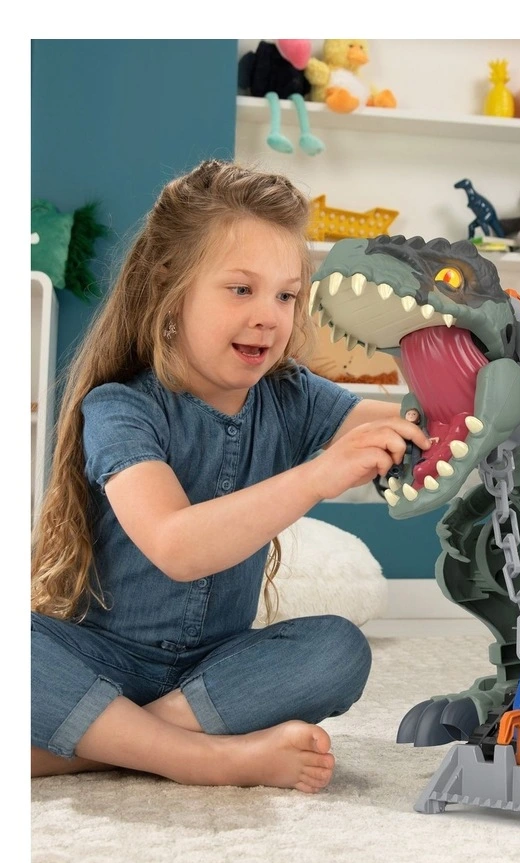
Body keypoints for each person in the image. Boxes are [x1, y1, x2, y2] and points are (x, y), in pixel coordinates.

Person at [31, 159, 431, 793]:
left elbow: (422, 421)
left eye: (285, 295)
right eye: (241, 289)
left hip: (213, 674)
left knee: (337, 649)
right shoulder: (119, 408)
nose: (269, 316)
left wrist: (493, 385)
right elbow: (176, 546)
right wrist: (318, 476)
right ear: (170, 286)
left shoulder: (292, 395)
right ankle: (205, 757)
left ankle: (114, 742)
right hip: (100, 658)